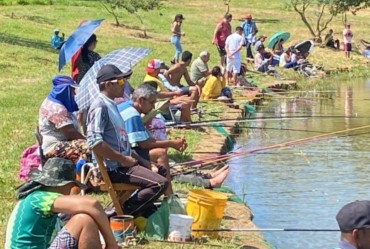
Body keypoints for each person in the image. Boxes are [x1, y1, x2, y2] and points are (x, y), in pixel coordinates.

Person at [86, 64, 168, 217]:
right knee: (159, 183)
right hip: (113, 168)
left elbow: (124, 144)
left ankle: (142, 209)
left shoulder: (113, 105)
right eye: (121, 82)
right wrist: (122, 159)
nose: (124, 86)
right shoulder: (100, 106)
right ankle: (123, 214)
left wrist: (145, 163)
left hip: (123, 163)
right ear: (108, 84)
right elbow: (94, 142)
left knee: (161, 171)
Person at [5, 157, 118, 249]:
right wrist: (112, 243)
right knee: (84, 220)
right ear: (63, 184)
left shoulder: (35, 199)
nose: (70, 191)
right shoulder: (38, 198)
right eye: (71, 186)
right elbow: (92, 204)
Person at [118, 83, 188, 196]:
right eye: (152, 103)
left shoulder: (126, 105)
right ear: (141, 100)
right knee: (160, 153)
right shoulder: (133, 115)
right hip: (122, 156)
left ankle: (166, 193)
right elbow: (145, 144)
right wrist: (172, 143)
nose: (153, 107)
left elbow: (143, 138)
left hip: (122, 151)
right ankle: (169, 196)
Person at [39, 75, 89, 164]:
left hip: (60, 144)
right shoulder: (56, 109)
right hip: (54, 147)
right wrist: (88, 140)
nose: (75, 93)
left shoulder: (54, 102)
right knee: (91, 148)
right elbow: (71, 134)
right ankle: (82, 175)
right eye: (72, 89)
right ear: (65, 90)